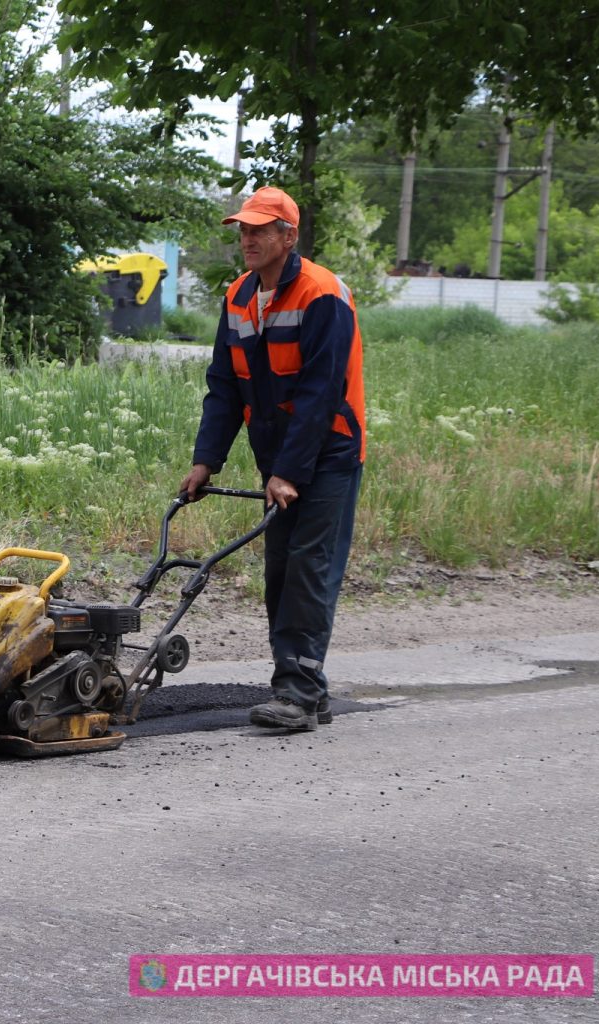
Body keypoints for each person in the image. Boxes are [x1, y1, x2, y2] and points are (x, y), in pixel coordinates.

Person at [178, 186, 366, 732]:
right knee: (281, 570)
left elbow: (320, 390)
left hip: (327, 450)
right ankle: (306, 688)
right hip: (278, 455)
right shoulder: (239, 296)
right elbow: (225, 387)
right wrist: (206, 460)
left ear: (289, 236)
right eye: (243, 229)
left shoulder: (322, 294)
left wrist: (289, 471)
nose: (248, 239)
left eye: (260, 230)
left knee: (309, 566)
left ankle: (298, 694)